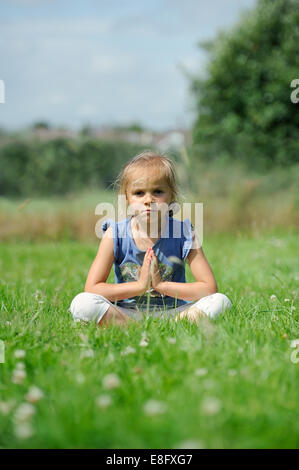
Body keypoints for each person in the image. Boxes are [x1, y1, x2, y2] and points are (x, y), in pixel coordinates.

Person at [69, 151, 232, 327]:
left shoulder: (184, 233)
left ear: (171, 196)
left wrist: (161, 285)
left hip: (174, 312)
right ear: (127, 198)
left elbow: (208, 288)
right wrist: (140, 286)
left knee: (220, 302)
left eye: (158, 191)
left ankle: (172, 326)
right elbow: (93, 288)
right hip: (127, 313)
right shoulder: (115, 234)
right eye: (139, 193)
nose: (149, 200)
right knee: (82, 303)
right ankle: (133, 326)